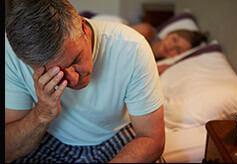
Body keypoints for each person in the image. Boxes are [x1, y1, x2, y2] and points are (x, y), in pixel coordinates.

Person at [5, 0, 165, 163]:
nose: (73, 79)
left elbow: (152, 139)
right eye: (55, 73)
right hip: (51, 137)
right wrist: (42, 113)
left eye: (76, 59)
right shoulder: (11, 53)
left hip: (113, 134)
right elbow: (7, 150)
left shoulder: (132, 48)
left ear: (83, 28)